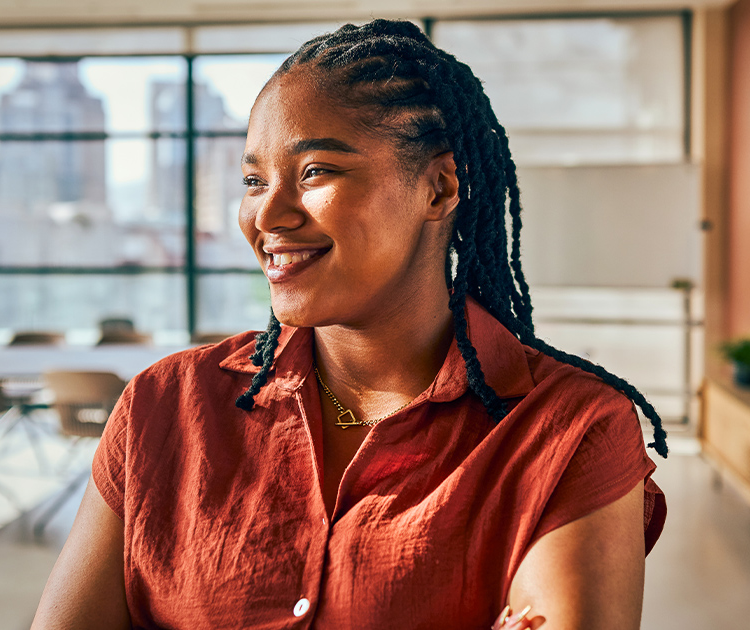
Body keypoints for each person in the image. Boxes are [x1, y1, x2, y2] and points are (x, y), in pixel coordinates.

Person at [33, 19, 667, 630]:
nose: (267, 216)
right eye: (254, 180)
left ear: (440, 189)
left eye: (316, 172)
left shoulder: (570, 432)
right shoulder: (162, 406)